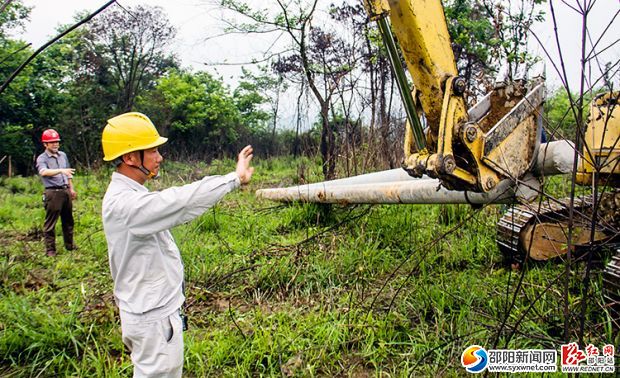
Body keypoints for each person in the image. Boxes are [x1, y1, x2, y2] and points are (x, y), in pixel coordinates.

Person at [101, 112, 253, 377]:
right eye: (153, 151)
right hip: (152, 317)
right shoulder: (125, 205)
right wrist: (234, 178)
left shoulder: (130, 195)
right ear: (129, 158)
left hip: (150, 312)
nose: (159, 157)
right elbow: (180, 201)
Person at [35, 129, 77, 257]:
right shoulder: (42, 158)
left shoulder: (62, 155)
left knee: (68, 220)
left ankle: (70, 245)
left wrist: (71, 188)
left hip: (65, 190)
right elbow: (43, 172)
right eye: (51, 142)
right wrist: (60, 171)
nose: (55, 144)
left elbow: (68, 173)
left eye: (57, 142)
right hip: (52, 192)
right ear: (45, 144)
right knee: (50, 223)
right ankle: (50, 250)